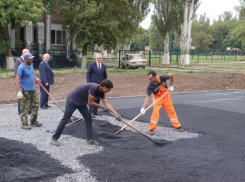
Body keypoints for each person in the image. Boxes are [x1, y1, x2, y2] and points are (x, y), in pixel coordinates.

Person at [50, 79, 121, 146]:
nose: (109, 91)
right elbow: (90, 103)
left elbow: (107, 103)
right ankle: (54, 139)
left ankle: (90, 140)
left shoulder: (102, 92)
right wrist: (101, 106)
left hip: (81, 103)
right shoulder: (93, 88)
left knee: (88, 118)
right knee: (65, 119)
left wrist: (116, 114)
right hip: (72, 101)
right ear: (104, 87)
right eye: (108, 89)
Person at [140, 70, 183, 135]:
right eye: (149, 79)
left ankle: (177, 126)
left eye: (151, 79)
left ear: (155, 77)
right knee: (155, 112)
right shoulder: (150, 86)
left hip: (166, 96)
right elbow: (147, 97)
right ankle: (151, 128)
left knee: (171, 110)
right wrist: (143, 108)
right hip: (157, 98)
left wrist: (171, 85)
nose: (150, 81)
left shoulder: (162, 77)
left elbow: (171, 75)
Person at [16, 53, 43, 130]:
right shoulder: (21, 67)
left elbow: (33, 71)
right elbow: (17, 79)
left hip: (32, 89)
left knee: (36, 105)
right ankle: (24, 124)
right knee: (25, 107)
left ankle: (33, 121)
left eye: (32, 58)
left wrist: (36, 78)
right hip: (25, 90)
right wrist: (19, 91)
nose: (32, 60)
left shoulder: (31, 64)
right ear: (26, 59)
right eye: (30, 59)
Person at [14, 49, 32, 115]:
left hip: (28, 82)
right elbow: (16, 73)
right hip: (21, 82)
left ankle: (28, 109)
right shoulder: (18, 61)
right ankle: (20, 110)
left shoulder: (28, 61)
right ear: (24, 54)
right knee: (21, 96)